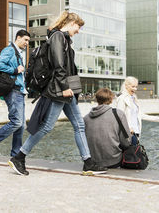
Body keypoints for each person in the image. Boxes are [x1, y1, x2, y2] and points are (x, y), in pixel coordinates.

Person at [8, 11, 107, 176]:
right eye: (78, 26)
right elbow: (58, 64)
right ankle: (19, 157)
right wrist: (64, 86)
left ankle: (88, 162)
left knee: (79, 125)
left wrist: (72, 88)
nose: (78, 30)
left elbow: (67, 67)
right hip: (60, 89)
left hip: (66, 89)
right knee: (46, 126)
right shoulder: (58, 37)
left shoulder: (64, 39)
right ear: (70, 22)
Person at [0, 30, 30, 157]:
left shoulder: (18, 53)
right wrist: (15, 69)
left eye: (28, 41)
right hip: (13, 91)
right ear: (18, 38)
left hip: (20, 91)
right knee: (16, 122)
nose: (27, 43)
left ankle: (15, 154)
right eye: (25, 40)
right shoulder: (9, 50)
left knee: (21, 125)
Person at [84, 88, 131, 168]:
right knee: (132, 139)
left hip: (93, 161)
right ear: (111, 100)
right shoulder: (118, 114)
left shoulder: (86, 118)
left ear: (97, 99)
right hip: (114, 160)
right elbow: (126, 142)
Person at [116, 76, 159, 145]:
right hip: (128, 133)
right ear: (126, 86)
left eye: (136, 87)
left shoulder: (134, 99)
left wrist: (157, 119)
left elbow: (140, 115)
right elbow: (119, 116)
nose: (135, 89)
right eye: (133, 86)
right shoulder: (122, 98)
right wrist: (128, 128)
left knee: (134, 154)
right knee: (132, 154)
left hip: (136, 132)